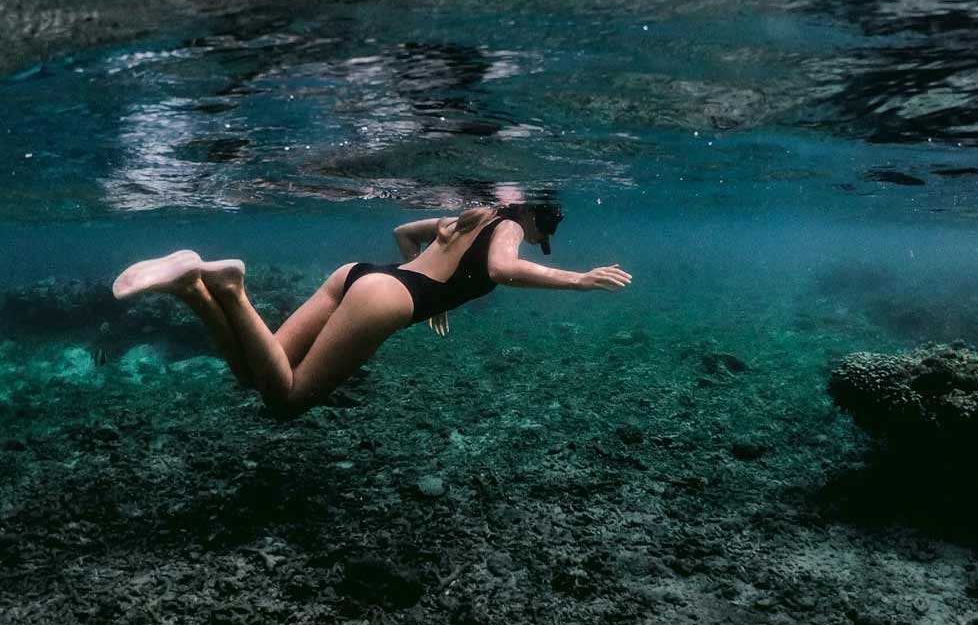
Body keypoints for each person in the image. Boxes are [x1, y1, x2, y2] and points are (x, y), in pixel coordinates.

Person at [112, 203, 632, 416]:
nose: (538, 239)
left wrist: (424, 291)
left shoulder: (469, 216)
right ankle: (231, 290)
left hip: (359, 275)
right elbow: (501, 268)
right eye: (544, 232)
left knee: (255, 374)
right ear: (537, 216)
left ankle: (192, 287)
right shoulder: (511, 224)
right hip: (384, 296)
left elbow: (404, 233)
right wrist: (578, 280)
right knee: (285, 401)